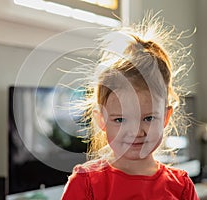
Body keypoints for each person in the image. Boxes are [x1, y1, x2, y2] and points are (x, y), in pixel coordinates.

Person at [61, 12, 199, 200]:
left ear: (166, 117)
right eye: (121, 119)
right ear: (101, 119)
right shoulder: (86, 183)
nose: (135, 132)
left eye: (148, 118)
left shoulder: (181, 187)